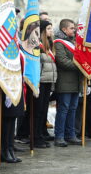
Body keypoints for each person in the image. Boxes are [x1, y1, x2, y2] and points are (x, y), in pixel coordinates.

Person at [54, 19, 82, 147]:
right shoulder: (58, 43)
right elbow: (62, 60)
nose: (74, 30)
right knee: (63, 109)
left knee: (73, 109)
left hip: (75, 82)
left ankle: (70, 135)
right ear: (64, 29)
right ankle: (59, 136)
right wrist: (80, 66)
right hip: (64, 82)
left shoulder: (74, 42)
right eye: (71, 28)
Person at [33, 20, 57, 148]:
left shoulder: (49, 45)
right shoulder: (37, 45)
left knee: (43, 110)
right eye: (48, 28)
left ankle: (41, 135)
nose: (51, 31)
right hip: (40, 81)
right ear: (42, 30)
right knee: (38, 110)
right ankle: (36, 138)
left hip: (48, 81)